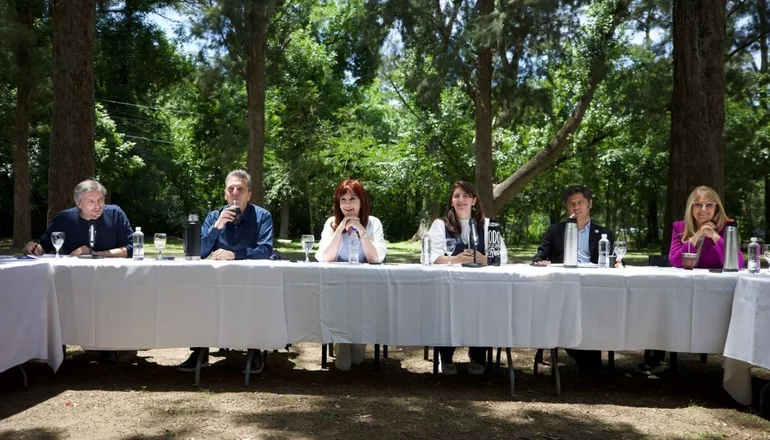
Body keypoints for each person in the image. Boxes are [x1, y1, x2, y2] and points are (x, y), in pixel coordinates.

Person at [23, 179, 134, 366]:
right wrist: (33, 248)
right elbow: (45, 246)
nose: (98, 206)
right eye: (91, 201)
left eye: (100, 200)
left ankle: (107, 349)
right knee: (59, 299)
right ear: (78, 203)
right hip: (73, 281)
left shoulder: (115, 214)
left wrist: (97, 254)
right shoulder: (65, 218)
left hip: (110, 280)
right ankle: (59, 345)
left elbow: (131, 248)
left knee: (108, 301)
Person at [638, 186, 745, 375]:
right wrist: (696, 236)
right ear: (691, 207)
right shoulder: (680, 227)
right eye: (698, 205)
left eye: (708, 205)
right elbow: (675, 260)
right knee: (662, 304)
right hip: (684, 289)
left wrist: (714, 236)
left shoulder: (728, 227)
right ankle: (654, 356)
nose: (703, 209)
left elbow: (737, 261)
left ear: (716, 207)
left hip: (717, 290)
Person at [177, 170, 274, 374]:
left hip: (251, 283)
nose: (235, 193)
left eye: (240, 189)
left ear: (249, 194)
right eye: (231, 189)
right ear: (225, 194)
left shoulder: (262, 217)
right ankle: (200, 351)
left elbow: (266, 250)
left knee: (257, 298)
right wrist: (217, 226)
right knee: (196, 296)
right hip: (216, 284)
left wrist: (234, 254)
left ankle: (254, 350)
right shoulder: (214, 216)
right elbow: (199, 251)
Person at [427, 181, 508, 375]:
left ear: (474, 200)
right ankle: (445, 357)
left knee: (481, 314)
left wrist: (484, 258)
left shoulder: (488, 225)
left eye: (465, 196)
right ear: (451, 201)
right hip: (449, 288)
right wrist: (455, 259)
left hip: (481, 290)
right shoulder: (440, 225)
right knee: (448, 314)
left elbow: (502, 257)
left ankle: (478, 356)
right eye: (456, 196)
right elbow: (430, 257)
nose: (461, 200)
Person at [532, 185, 613, 374]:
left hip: (594, 287)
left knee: (593, 312)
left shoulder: (604, 233)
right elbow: (539, 256)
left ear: (590, 204)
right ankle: (585, 360)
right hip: (563, 287)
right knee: (566, 314)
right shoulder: (555, 230)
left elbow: (614, 260)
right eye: (571, 204)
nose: (576, 208)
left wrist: (616, 262)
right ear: (567, 208)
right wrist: (541, 261)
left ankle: (588, 359)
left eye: (580, 203)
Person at [315, 179, 387, 371]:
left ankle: (360, 339)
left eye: (352, 199)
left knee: (357, 361)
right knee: (345, 365)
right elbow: (326, 258)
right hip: (337, 285)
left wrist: (361, 230)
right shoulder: (331, 223)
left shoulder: (374, 223)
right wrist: (340, 228)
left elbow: (375, 258)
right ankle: (341, 341)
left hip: (367, 286)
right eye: (343, 200)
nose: (348, 205)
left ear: (361, 201)